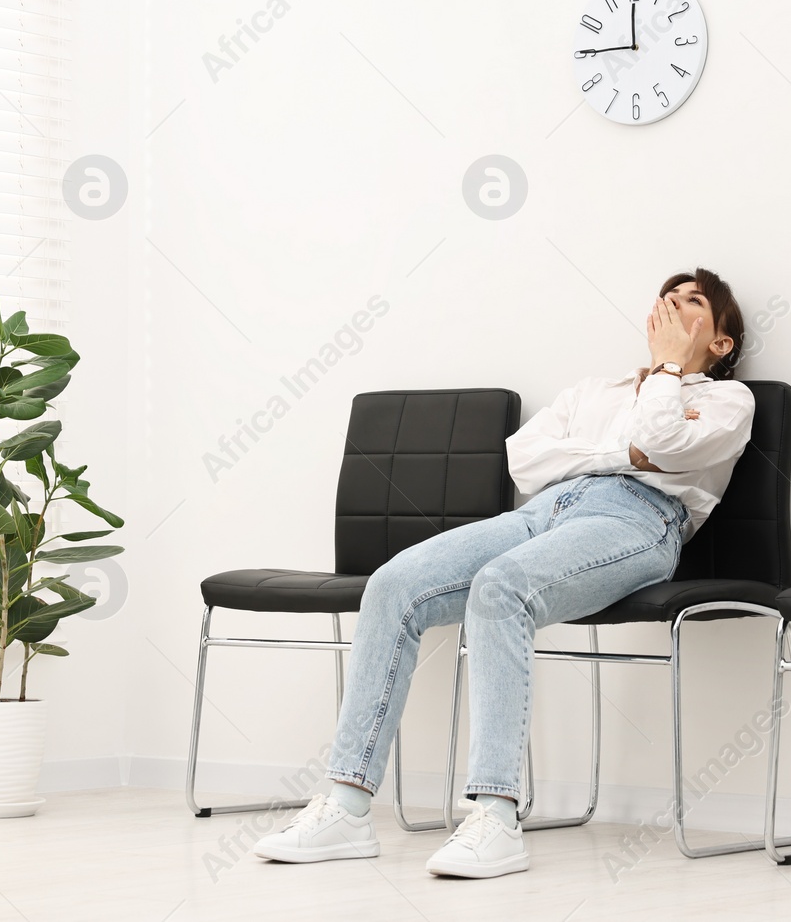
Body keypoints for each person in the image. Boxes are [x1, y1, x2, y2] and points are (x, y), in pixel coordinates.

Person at [252, 267, 755, 879]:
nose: (671, 309)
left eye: (692, 304)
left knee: (501, 587)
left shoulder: (727, 401)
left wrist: (670, 371)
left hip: (638, 521)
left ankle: (496, 816)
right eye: (666, 300)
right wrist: (622, 455)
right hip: (540, 511)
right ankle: (348, 808)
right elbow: (526, 460)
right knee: (393, 584)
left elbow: (666, 442)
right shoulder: (595, 390)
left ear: (721, 342)